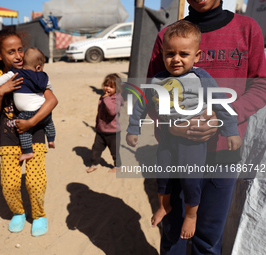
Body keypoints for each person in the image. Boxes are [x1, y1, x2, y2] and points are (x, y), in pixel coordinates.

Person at [126, 0, 266, 254]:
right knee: (173, 235)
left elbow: (260, 85)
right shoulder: (166, 36)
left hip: (222, 154)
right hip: (175, 151)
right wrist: (171, 127)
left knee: (208, 238)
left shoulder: (248, 29)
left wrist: (223, 119)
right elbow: (152, 94)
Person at [142, 20, 241, 239]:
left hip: (194, 141)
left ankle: (191, 214)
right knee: (163, 174)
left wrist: (231, 130)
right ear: (163, 54)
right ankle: (163, 205)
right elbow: (148, 104)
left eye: (183, 54)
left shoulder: (201, 79)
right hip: (168, 138)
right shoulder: (158, 79)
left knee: (190, 178)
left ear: (196, 56)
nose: (176, 59)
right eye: (170, 54)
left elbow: (221, 103)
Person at [0, 29, 58, 237]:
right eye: (11, 52)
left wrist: (31, 122)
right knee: (9, 184)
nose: (18, 55)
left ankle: (39, 215)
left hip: (34, 133)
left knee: (35, 182)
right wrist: (1, 92)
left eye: (20, 50)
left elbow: (52, 100)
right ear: (0, 55)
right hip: (8, 138)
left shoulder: (33, 74)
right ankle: (18, 212)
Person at [0, 47, 56, 162]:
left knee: (23, 126)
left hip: (28, 113)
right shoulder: (43, 76)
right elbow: (50, 89)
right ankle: (51, 139)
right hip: (42, 109)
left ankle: (28, 151)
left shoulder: (16, 73)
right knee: (48, 121)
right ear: (38, 67)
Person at [87, 73, 124, 173]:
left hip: (113, 132)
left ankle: (118, 166)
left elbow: (112, 111)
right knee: (96, 149)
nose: (107, 88)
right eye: (106, 85)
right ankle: (94, 164)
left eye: (111, 87)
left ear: (117, 88)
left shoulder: (117, 99)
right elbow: (100, 113)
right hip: (101, 130)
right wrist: (97, 124)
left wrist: (106, 99)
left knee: (115, 151)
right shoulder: (103, 97)